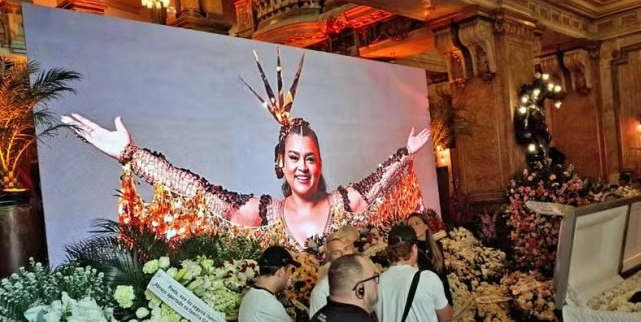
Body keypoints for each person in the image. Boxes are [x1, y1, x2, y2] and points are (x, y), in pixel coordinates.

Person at [62, 49, 430, 251]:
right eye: (294, 158)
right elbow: (199, 192)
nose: (302, 167)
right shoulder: (262, 213)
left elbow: (380, 180)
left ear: (320, 163)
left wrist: (406, 152)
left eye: (310, 158)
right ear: (280, 164)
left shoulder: (345, 203)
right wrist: (131, 155)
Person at [309, 227, 358, 318]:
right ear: (329, 259)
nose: (343, 255)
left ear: (354, 250)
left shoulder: (367, 277)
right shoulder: (321, 292)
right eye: (336, 252)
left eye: (347, 248)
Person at [406, 212, 452, 305]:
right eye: (410, 225)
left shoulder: (437, 246)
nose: (413, 227)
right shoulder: (411, 252)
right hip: (426, 301)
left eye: (417, 223)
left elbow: (443, 275)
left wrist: (449, 301)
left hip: (440, 297)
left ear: (426, 226)